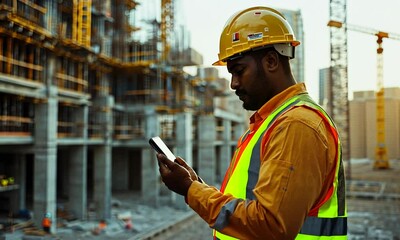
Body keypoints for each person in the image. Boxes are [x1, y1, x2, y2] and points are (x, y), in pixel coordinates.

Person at [156, 6, 347, 239]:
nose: (233, 84)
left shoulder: (296, 125)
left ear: (271, 61)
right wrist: (196, 185)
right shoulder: (272, 122)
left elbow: (271, 225)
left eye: (239, 70)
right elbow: (248, 203)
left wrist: (190, 189)